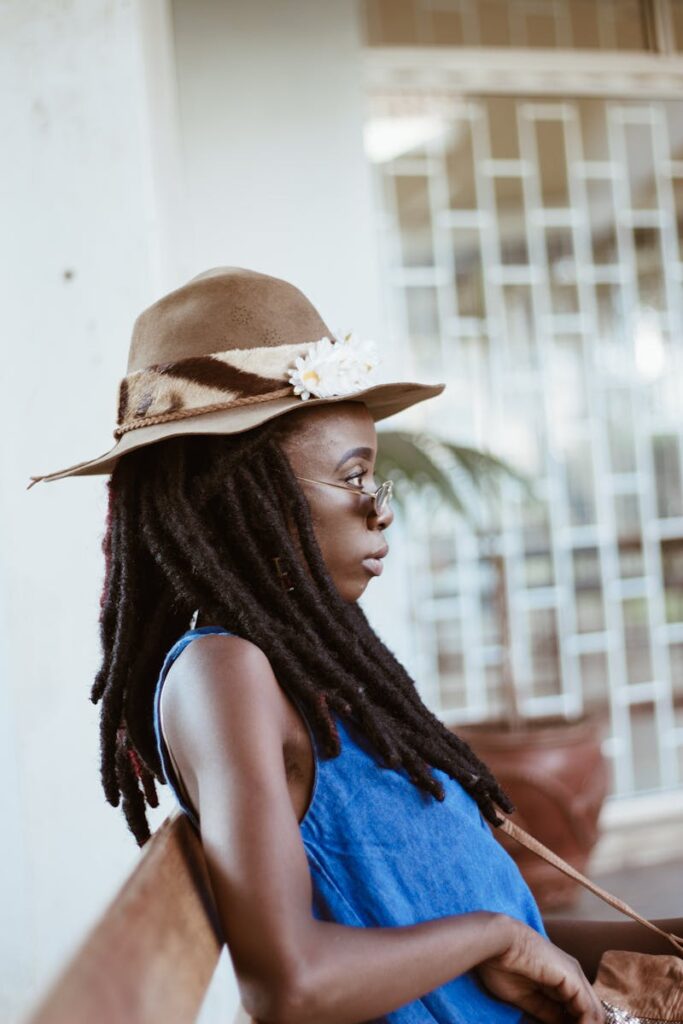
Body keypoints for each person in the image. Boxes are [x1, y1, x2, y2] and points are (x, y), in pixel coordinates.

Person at [30, 268, 679, 1024]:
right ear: (242, 493)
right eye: (355, 478)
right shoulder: (222, 671)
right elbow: (287, 987)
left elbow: (488, 927)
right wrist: (491, 938)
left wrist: (588, 936)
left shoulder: (309, 666)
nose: (381, 513)